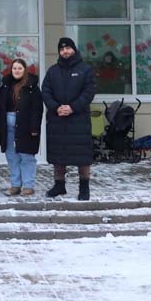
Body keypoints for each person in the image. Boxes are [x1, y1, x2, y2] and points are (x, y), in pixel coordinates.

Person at [41, 37, 97, 200]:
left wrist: (72, 107)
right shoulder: (52, 71)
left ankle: (84, 188)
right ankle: (59, 185)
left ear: (74, 49)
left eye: (68, 48)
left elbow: (89, 92)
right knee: (58, 154)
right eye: (62, 49)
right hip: (57, 119)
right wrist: (56, 107)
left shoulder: (86, 69)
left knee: (82, 156)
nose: (65, 51)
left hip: (79, 120)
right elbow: (46, 91)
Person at [0, 59, 43, 196]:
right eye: (14, 68)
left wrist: (34, 128)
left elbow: (37, 109)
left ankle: (28, 185)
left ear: (25, 70)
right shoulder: (5, 86)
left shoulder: (32, 87)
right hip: (8, 127)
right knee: (12, 156)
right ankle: (15, 185)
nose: (16, 71)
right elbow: (0, 107)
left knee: (26, 156)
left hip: (25, 126)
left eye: (19, 68)